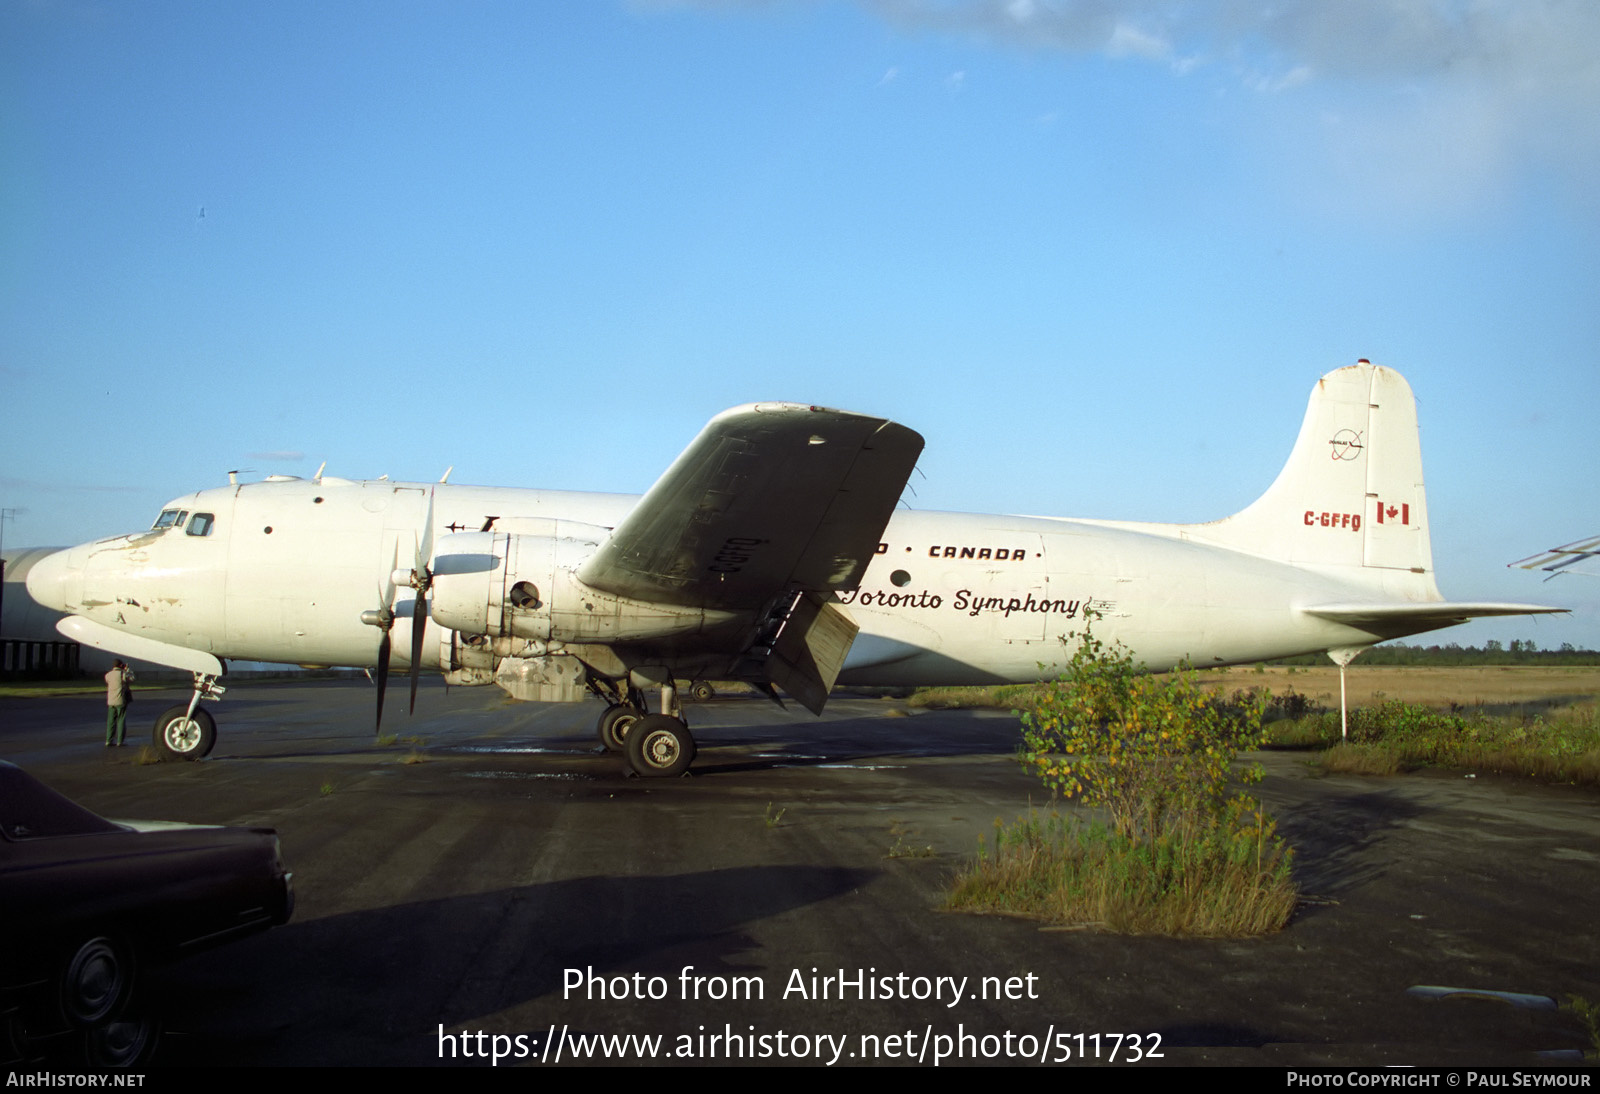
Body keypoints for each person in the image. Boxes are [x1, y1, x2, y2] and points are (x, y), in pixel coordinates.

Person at [105, 659, 135, 746]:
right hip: (120, 700)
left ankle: (108, 740)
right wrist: (128, 670)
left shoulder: (108, 675)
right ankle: (120, 741)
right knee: (121, 720)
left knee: (111, 721)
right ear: (121, 665)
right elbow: (132, 678)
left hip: (111, 701)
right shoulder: (122, 674)